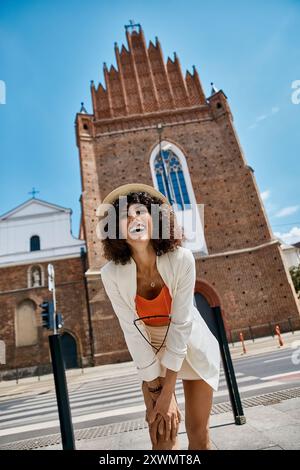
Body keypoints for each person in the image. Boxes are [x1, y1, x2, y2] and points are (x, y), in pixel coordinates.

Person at [99, 183, 220, 450]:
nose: (132, 217)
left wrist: (170, 392)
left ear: (155, 220)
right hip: (151, 353)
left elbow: (181, 325)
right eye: (124, 215)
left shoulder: (182, 259)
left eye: (140, 211)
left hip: (190, 346)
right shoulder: (110, 274)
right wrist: (156, 388)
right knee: (162, 440)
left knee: (198, 435)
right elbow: (130, 331)